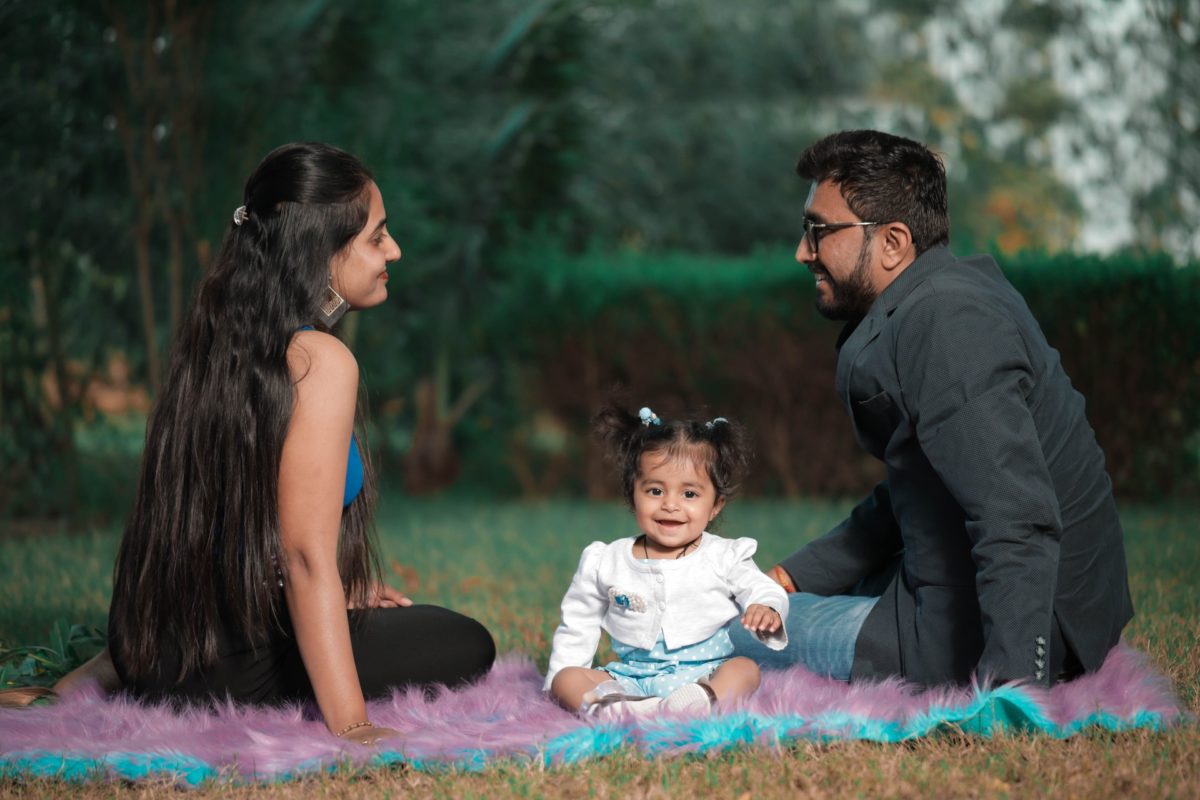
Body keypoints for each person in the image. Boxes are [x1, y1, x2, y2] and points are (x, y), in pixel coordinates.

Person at [46, 143, 495, 743]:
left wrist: (343, 593)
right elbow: (304, 555)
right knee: (466, 641)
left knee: (390, 616)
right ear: (321, 251)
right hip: (217, 667)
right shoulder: (319, 360)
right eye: (376, 236)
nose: (394, 251)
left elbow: (220, 531)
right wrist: (353, 726)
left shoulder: (216, 342)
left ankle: (108, 673)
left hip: (152, 647)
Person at [729, 129, 1133, 689]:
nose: (803, 251)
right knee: (760, 607)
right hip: (959, 582)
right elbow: (919, 488)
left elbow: (1016, 516)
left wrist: (1014, 689)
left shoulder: (948, 325)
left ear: (893, 242)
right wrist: (793, 577)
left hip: (1013, 619)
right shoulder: (940, 295)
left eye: (819, 231)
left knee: (725, 634)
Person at [546, 405, 788, 717]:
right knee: (565, 679)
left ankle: (703, 701)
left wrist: (767, 607)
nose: (670, 504)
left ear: (715, 505)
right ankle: (618, 709)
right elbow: (578, 624)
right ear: (632, 495)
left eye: (689, 494)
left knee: (745, 669)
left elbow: (761, 588)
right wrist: (560, 680)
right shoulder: (606, 560)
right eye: (655, 490)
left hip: (703, 674)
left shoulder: (723, 556)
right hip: (630, 678)